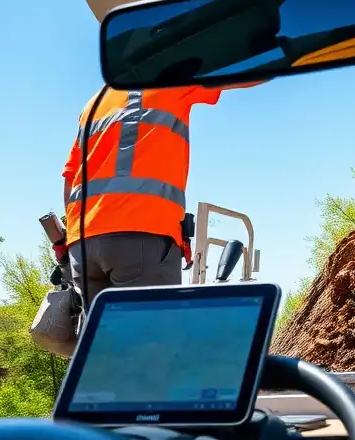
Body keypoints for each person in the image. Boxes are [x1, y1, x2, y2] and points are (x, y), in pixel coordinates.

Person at [61, 83, 258, 313]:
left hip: (83, 247)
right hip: (140, 236)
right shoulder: (167, 82)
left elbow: (69, 178)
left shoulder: (93, 104)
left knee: (102, 342)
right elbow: (240, 73)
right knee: (152, 341)